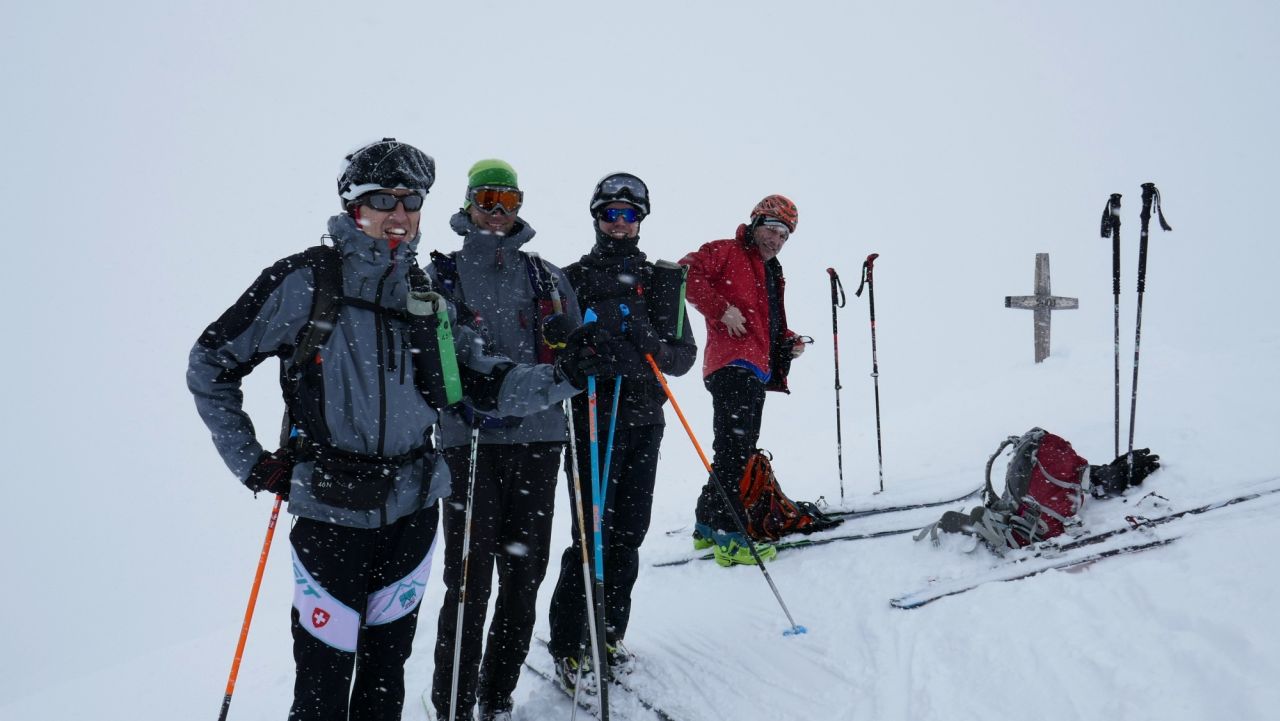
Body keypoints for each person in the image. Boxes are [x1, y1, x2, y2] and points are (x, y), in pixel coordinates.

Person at [187, 139, 609, 721]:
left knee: (384, 684)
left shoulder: (426, 300)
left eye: (411, 201)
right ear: (352, 204)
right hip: (332, 512)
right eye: (382, 198)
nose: (399, 213)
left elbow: (485, 382)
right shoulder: (308, 279)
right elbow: (211, 362)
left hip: (412, 513)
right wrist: (251, 462)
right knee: (322, 691)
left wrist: (565, 373)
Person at [425, 160, 582, 721]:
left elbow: (575, 353)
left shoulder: (545, 275)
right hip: (468, 444)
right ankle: (453, 705)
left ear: (519, 207)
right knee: (468, 582)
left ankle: (496, 697)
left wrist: (583, 349)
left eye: (507, 200)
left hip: (540, 442)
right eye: (486, 199)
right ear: (467, 204)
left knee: (524, 576)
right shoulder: (438, 276)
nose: (496, 211)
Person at [544, 173, 697, 687]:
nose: (619, 222)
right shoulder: (571, 277)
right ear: (596, 216)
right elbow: (550, 347)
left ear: (641, 221)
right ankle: (569, 642)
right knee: (591, 534)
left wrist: (650, 339)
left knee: (629, 533)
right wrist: (574, 349)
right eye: (611, 213)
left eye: (629, 215)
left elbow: (682, 358)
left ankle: (607, 631)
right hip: (591, 417)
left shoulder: (661, 280)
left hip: (644, 421)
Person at [679, 194, 807, 566]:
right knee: (735, 451)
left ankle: (706, 526)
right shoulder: (726, 251)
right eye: (772, 228)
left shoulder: (771, 271)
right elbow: (685, 273)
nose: (777, 239)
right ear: (755, 222)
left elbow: (768, 324)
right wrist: (721, 310)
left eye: (785, 235)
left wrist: (788, 342)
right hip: (731, 365)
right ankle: (729, 537)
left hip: (754, 368)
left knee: (735, 450)